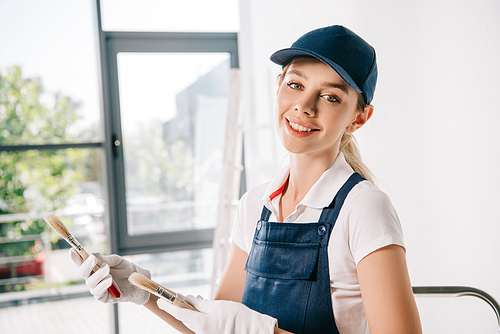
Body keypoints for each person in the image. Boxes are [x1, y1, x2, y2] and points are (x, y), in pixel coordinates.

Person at [71, 25, 422, 334]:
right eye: (295, 84)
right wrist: (141, 292)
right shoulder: (255, 205)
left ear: (359, 118)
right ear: (279, 88)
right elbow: (215, 326)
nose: (304, 106)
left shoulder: (364, 208)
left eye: (331, 97)